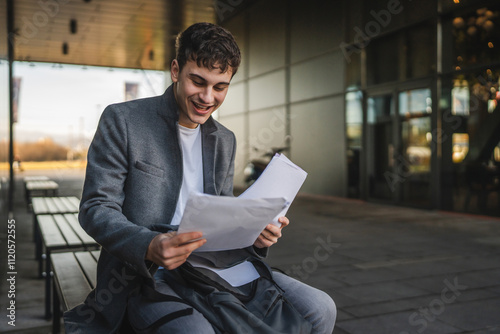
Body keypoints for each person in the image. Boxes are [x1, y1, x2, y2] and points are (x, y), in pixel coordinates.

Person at [64, 22, 336, 333]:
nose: (208, 97)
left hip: (216, 267)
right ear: (176, 70)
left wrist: (255, 232)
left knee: (320, 308)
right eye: (198, 81)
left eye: (220, 87)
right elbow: (96, 208)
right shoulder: (123, 121)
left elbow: (222, 212)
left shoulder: (224, 139)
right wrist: (149, 244)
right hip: (147, 274)